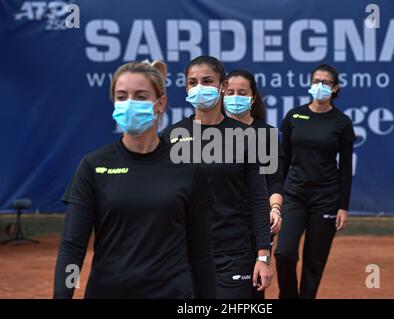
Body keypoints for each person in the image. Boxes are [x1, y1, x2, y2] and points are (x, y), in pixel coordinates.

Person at [53, 60, 216, 299]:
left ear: (160, 103)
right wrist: (62, 295)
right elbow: (73, 246)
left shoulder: (188, 170)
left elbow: (201, 255)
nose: (129, 103)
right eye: (122, 96)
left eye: (140, 96)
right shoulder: (94, 166)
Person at [161, 56, 273, 299]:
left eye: (207, 81)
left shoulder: (245, 136)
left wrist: (263, 256)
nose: (199, 87)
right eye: (193, 82)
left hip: (233, 254)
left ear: (222, 86)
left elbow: (257, 198)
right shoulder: (170, 137)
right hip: (183, 255)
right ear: (186, 88)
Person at [275, 64, 356, 299]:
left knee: (314, 261)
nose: (320, 86)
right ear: (310, 84)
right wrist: (276, 195)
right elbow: (285, 159)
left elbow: (346, 167)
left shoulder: (341, 122)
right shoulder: (294, 116)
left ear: (335, 88)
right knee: (284, 253)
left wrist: (343, 206)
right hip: (295, 195)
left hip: (326, 198)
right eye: (316, 81)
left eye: (326, 82)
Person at [222, 70, 283, 299]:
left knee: (252, 285)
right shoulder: (211, 134)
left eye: (241, 92)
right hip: (221, 220)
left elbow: (274, 180)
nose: (235, 97)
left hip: (255, 221)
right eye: (230, 92)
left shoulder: (266, 134)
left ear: (253, 97)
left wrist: (275, 209)